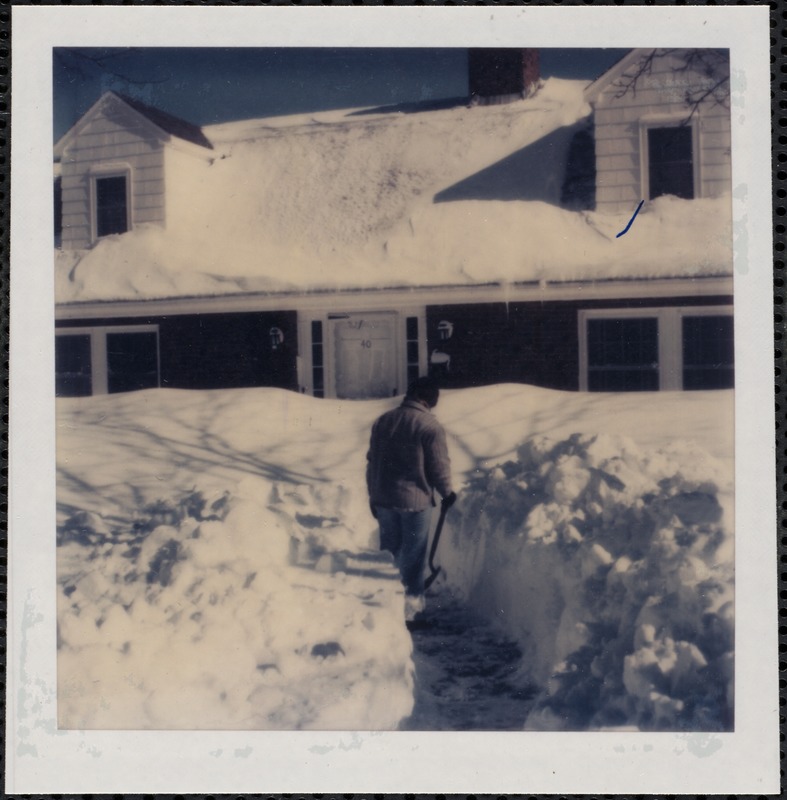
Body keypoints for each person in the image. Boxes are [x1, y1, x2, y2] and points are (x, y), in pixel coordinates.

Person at [366, 376, 457, 621]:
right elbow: (439, 466)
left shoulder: (383, 421)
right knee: (414, 558)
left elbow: (371, 463)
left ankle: (385, 609)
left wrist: (372, 495)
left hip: (384, 498)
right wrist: (447, 492)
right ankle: (412, 613)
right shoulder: (430, 427)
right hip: (415, 502)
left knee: (390, 554)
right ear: (427, 399)